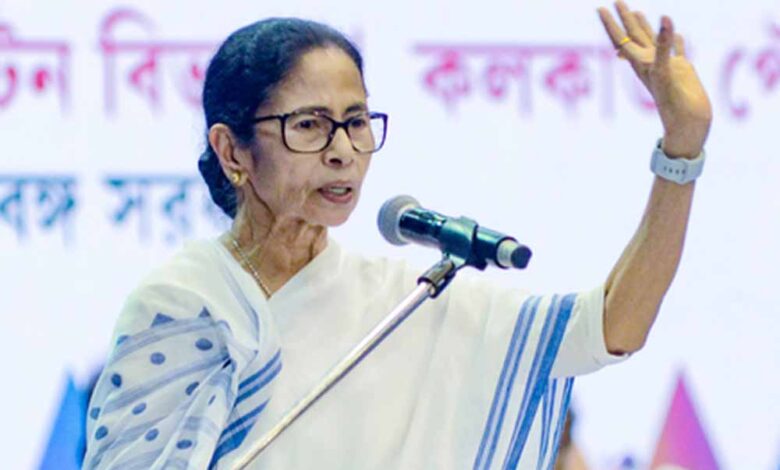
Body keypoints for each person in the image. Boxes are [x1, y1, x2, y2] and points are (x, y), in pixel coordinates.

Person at [82, 1, 712, 468]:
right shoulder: (181, 306)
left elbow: (610, 327)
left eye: (356, 122)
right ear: (232, 151)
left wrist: (680, 152)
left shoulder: (406, 301)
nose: (343, 151)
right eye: (309, 125)